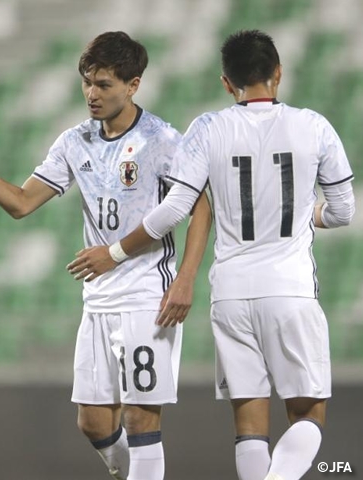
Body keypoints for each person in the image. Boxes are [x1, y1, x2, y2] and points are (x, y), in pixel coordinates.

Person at [68, 29, 355, 480]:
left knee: (249, 427)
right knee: (308, 414)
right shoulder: (313, 126)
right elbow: (343, 212)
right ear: (278, 73)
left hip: (231, 295)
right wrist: (306, 214)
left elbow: (176, 209)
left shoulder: (208, 128)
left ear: (226, 82)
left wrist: (116, 251)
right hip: (291, 288)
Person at [0, 31, 212, 480]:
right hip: (98, 299)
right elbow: (21, 203)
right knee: (93, 421)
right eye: (87, 82)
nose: (91, 93)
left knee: (142, 420)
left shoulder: (163, 141)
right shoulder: (74, 141)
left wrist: (186, 278)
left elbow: (200, 204)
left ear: (133, 85)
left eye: (104, 84)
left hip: (147, 297)